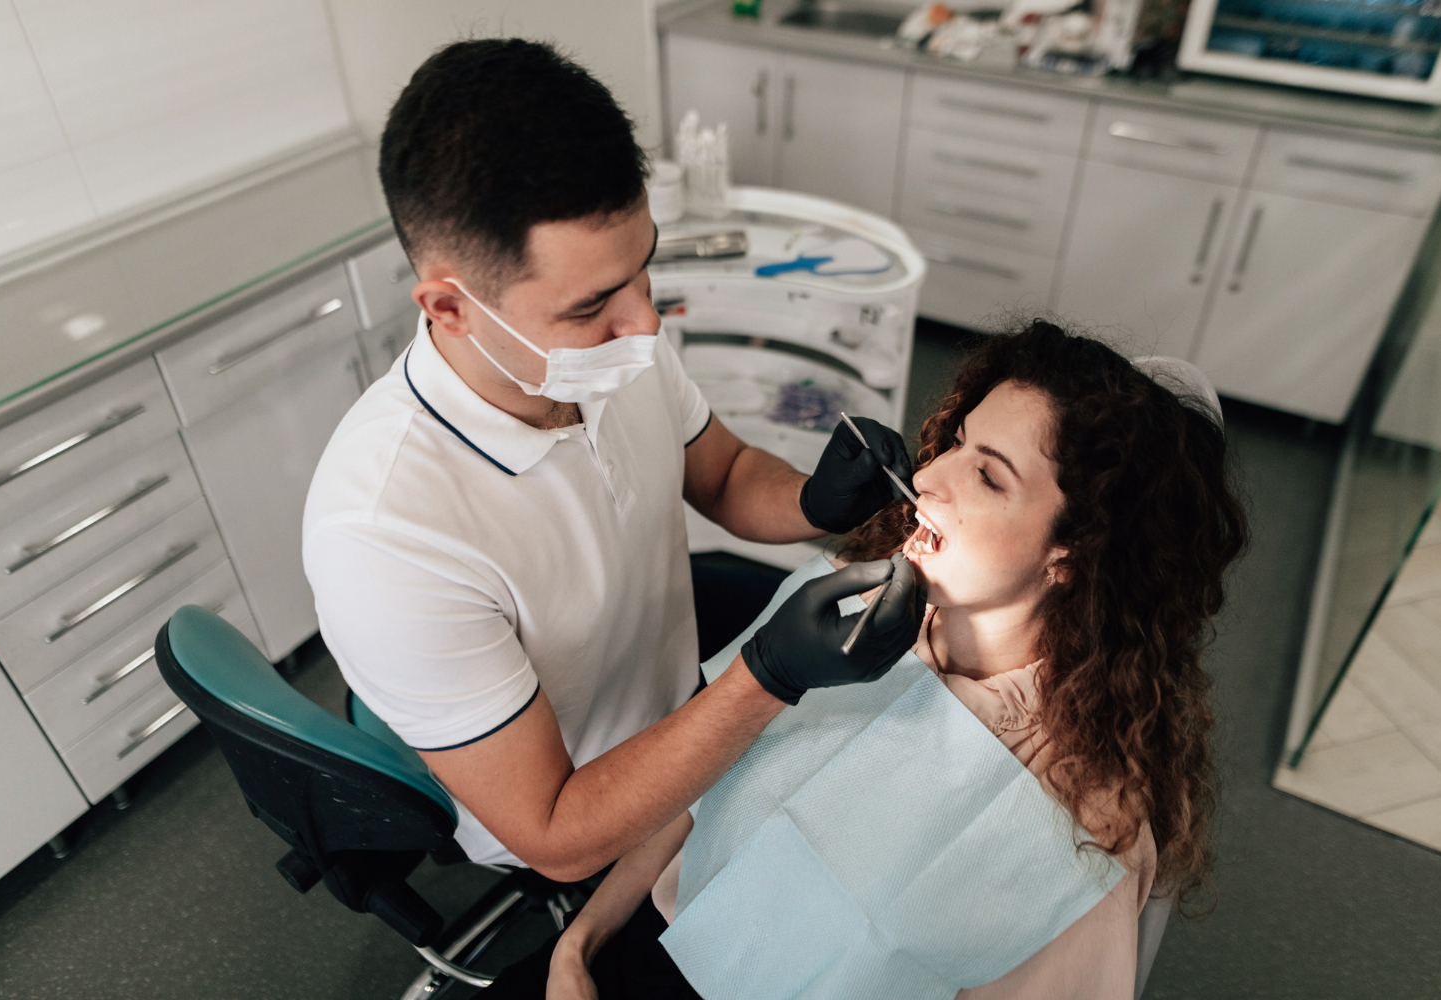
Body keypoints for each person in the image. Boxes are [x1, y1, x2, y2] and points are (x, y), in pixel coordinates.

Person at [302, 38, 924, 884]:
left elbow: (726, 475)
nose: (647, 324)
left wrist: (816, 502)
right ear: (451, 306)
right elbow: (555, 834)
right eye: (593, 302)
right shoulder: (385, 535)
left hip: (684, 698)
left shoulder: (609, 353)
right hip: (597, 814)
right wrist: (765, 675)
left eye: (644, 268)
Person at [491, 321, 1247, 999]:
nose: (926, 478)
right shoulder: (833, 610)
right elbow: (692, 799)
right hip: (634, 953)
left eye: (986, 473)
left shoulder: (1082, 822)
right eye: (955, 443)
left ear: (1071, 551)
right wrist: (579, 944)